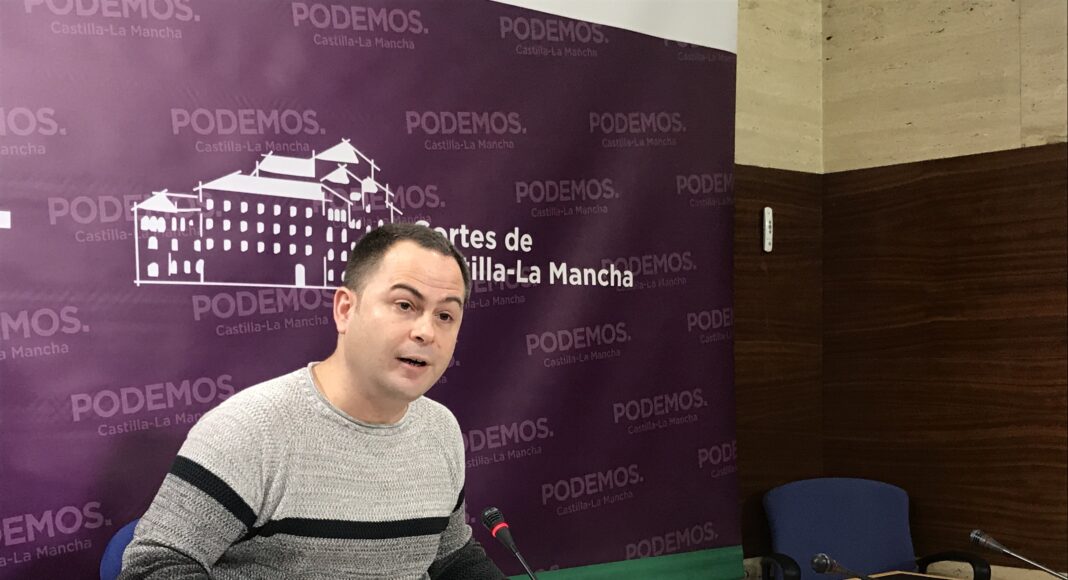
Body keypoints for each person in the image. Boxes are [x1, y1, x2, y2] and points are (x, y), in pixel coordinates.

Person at [120, 223, 506, 579]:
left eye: (445, 316)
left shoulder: (441, 428)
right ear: (345, 310)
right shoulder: (251, 428)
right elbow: (153, 565)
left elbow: (452, 556)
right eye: (405, 305)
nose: (426, 331)